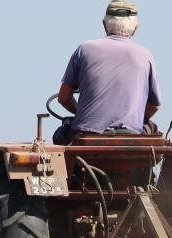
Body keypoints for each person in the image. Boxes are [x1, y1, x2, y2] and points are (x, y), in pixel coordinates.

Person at [54, 1, 162, 145]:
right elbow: (154, 105)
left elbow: (63, 98)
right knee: (151, 127)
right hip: (131, 138)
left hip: (86, 136)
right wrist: (136, 120)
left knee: (60, 135)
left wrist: (80, 113)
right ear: (135, 28)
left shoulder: (84, 50)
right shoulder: (145, 55)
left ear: (104, 24)